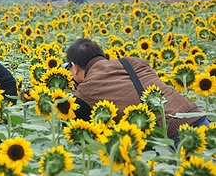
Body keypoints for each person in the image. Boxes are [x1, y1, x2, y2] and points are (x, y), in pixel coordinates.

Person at [65, 38, 209, 143]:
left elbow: (82, 130)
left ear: (75, 67)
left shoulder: (85, 92)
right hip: (198, 119)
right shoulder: (133, 61)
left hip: (172, 138)